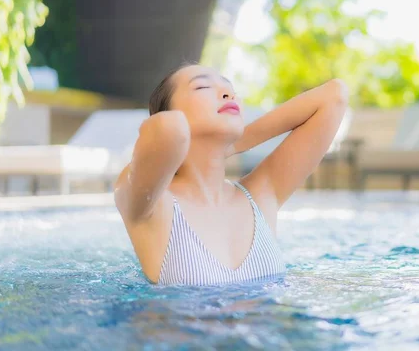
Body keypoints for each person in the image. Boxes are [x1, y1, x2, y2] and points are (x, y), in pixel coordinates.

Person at [114, 63, 349, 286]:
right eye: (203, 86)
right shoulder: (149, 206)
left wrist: (237, 143)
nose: (228, 92)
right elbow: (168, 129)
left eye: (230, 87)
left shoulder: (261, 195)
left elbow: (334, 96)